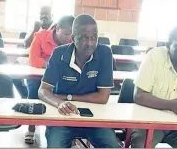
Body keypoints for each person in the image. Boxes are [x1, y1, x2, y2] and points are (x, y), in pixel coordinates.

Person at [38, 14, 119, 148]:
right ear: (73, 38)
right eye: (84, 38)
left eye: (94, 38)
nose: (90, 43)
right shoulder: (59, 54)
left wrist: (68, 97)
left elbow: (103, 97)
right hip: (64, 117)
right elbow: (43, 90)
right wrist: (60, 104)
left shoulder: (105, 53)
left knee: (112, 146)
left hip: (95, 118)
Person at [24, 15, 75, 144]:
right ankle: (31, 128)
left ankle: (67, 130)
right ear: (57, 28)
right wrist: (53, 64)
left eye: (72, 35)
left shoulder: (73, 41)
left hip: (60, 77)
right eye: (66, 34)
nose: (69, 38)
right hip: (38, 76)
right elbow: (33, 60)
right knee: (34, 93)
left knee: (70, 94)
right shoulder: (40, 37)